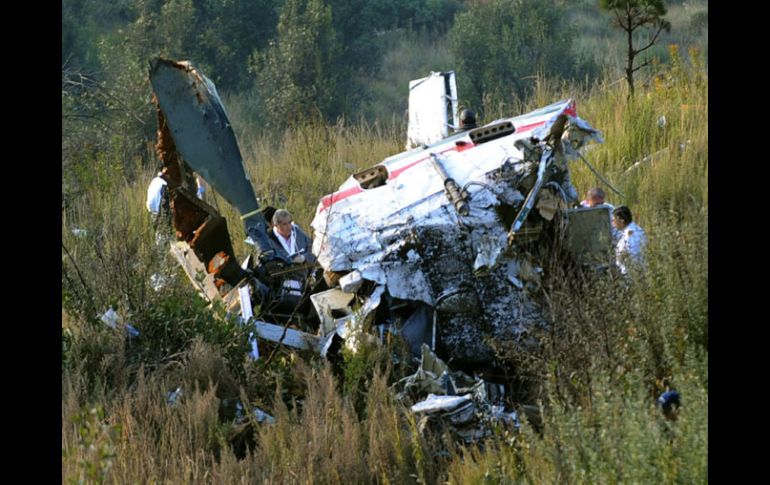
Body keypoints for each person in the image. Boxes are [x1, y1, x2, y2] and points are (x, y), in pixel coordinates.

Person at [268, 209, 316, 296]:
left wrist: (304, 257)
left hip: (305, 282)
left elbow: (314, 250)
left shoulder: (297, 232)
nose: (289, 227)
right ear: (276, 225)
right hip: (284, 288)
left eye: (290, 222)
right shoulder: (269, 239)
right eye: (284, 224)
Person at [611, 206, 648, 275]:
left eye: (613, 220)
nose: (612, 223)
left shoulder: (631, 236)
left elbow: (634, 258)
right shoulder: (635, 229)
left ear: (621, 221)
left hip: (632, 276)